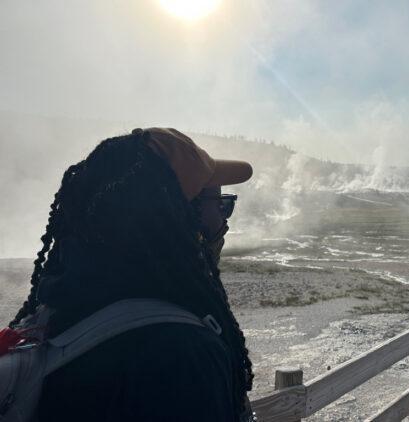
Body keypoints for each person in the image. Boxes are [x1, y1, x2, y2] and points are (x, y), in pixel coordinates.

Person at [8, 128, 255, 421]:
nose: (224, 220)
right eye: (222, 205)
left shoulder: (56, 312)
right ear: (186, 218)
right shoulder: (182, 355)